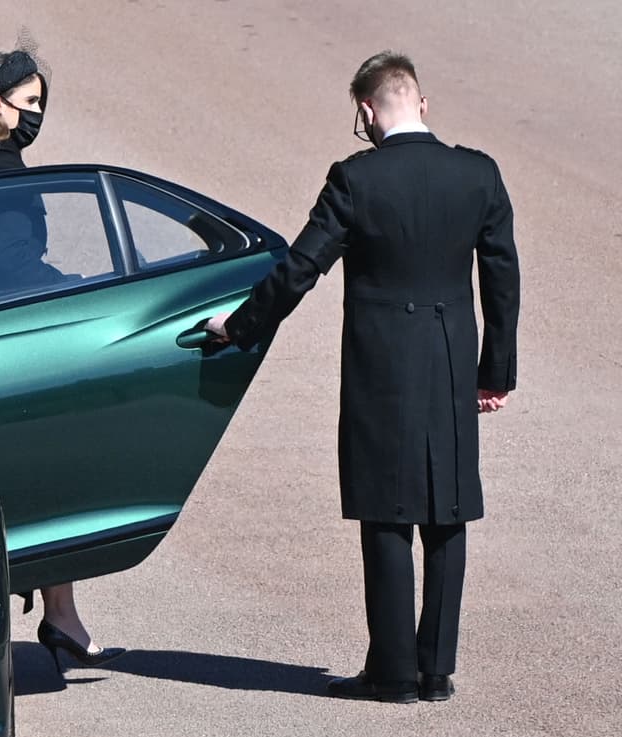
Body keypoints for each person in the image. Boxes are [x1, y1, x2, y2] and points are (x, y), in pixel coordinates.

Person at [206, 51, 520, 703]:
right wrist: (496, 371)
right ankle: (436, 670)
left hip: (382, 361)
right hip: (450, 354)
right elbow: (501, 280)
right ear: (422, 103)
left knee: (387, 510)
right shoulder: (478, 175)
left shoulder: (356, 179)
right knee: (448, 509)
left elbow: (301, 266)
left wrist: (240, 326)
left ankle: (393, 671)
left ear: (366, 111)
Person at [0, 47, 125, 672]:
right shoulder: (7, 173)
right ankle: (48, 616)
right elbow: (12, 265)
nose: (37, 115)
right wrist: (75, 284)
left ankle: (59, 615)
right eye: (30, 102)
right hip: (9, 341)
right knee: (51, 467)